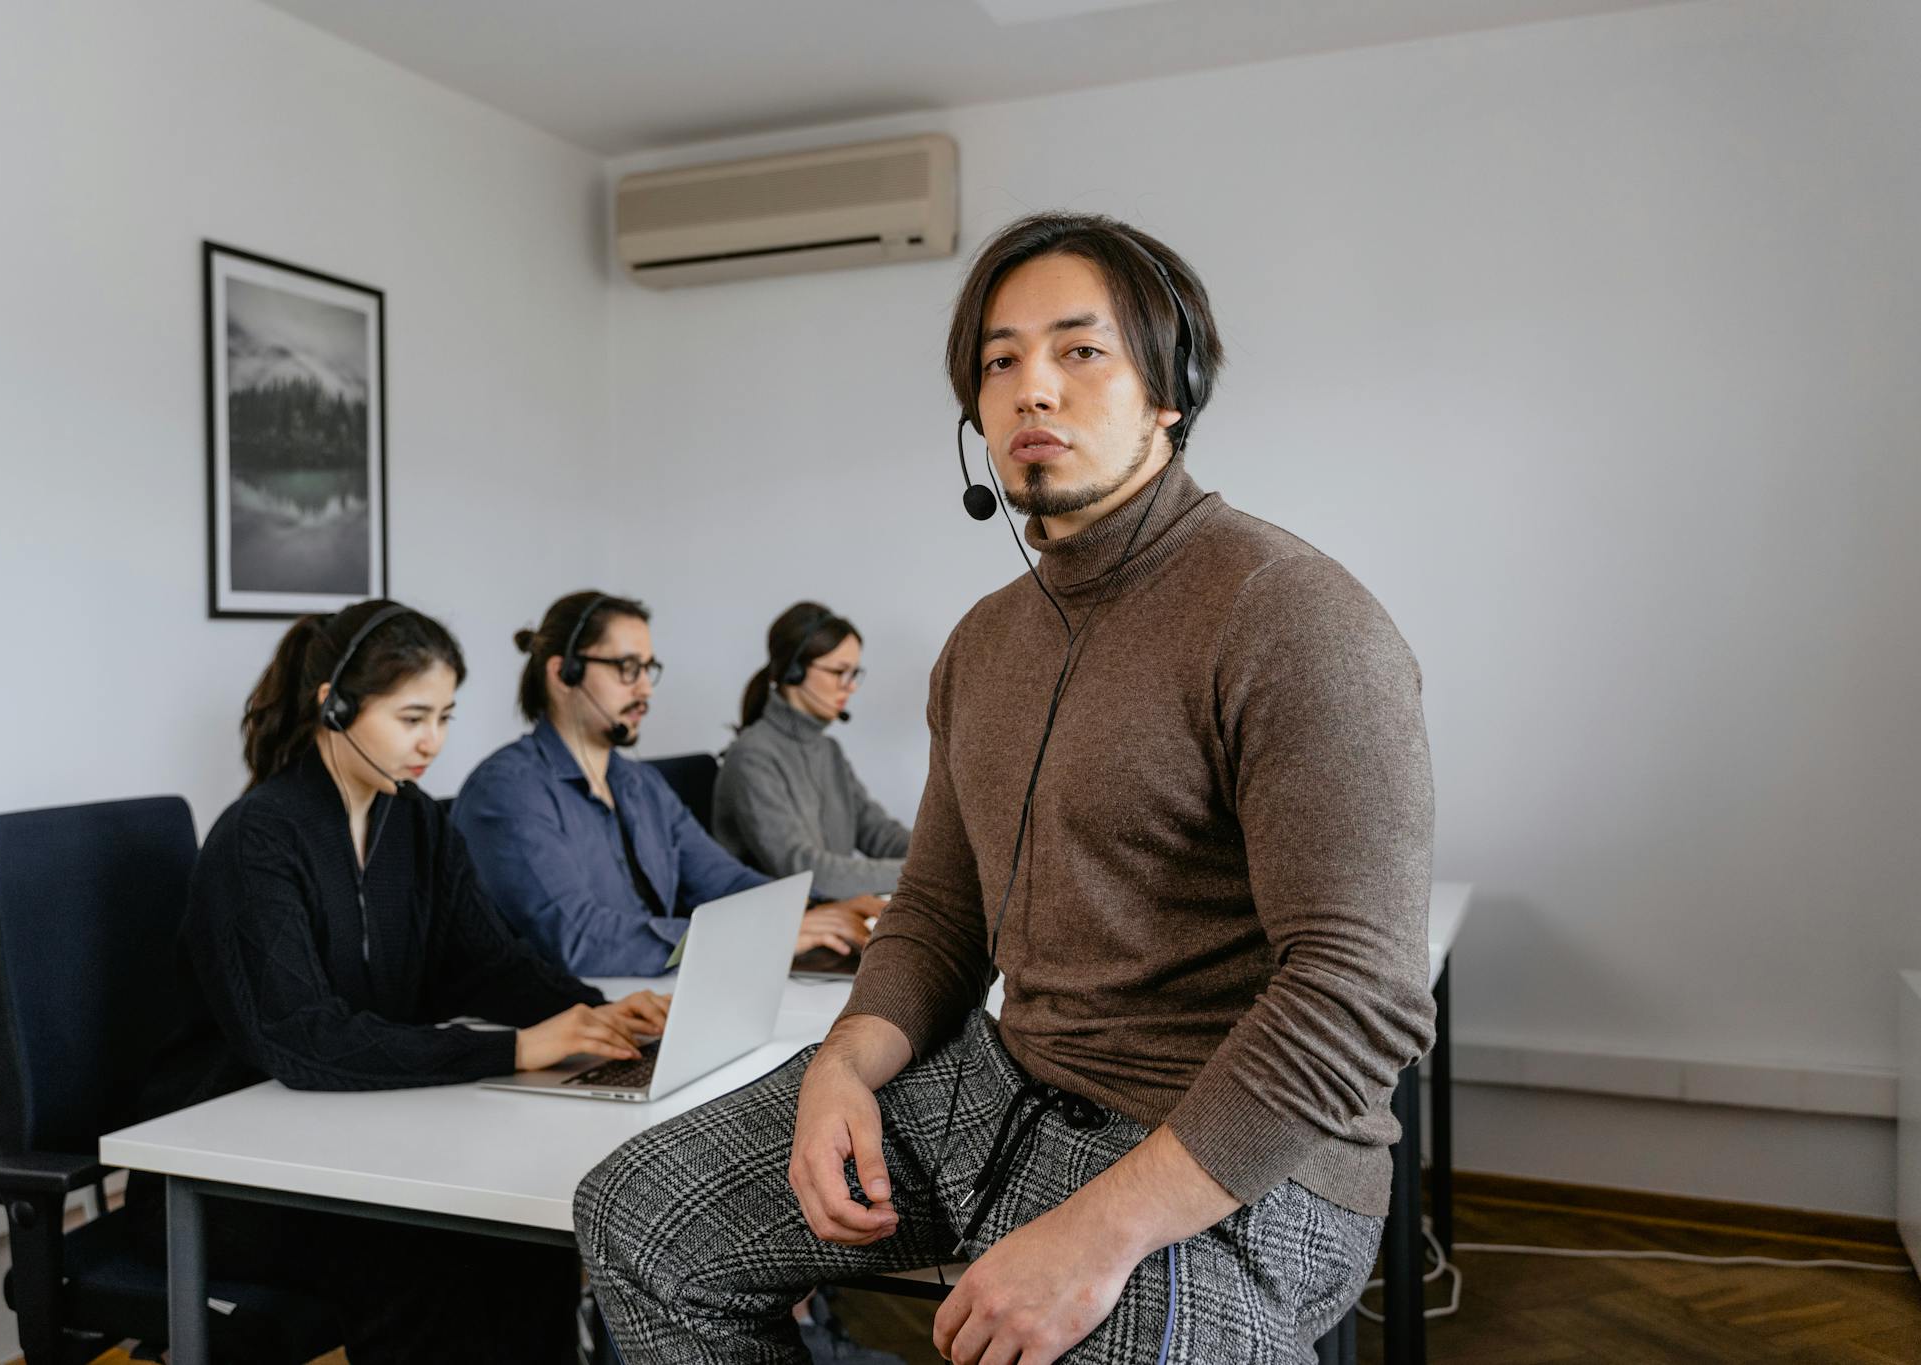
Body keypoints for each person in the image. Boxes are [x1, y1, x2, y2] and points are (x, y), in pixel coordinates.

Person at [575, 212, 1437, 1365]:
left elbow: (1354, 997)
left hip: (1238, 1150)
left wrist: (1098, 1232)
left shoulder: (1291, 616)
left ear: (1166, 392)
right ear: (973, 414)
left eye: (1080, 351)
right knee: (638, 1221)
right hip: (1007, 1085)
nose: (1032, 388)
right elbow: (935, 914)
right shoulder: (981, 645)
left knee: (1076, 1339)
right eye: (999, 360)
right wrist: (839, 1065)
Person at [134, 599, 669, 1364]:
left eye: (446, 716)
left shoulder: (412, 820)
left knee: (529, 1237)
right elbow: (301, 1035)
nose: (434, 742)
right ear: (337, 706)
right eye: (413, 717)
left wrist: (597, 1010)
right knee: (430, 1260)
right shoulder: (260, 837)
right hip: (235, 1171)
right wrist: (512, 1049)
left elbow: (487, 960)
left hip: (357, 1140)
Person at [453, 591, 880, 978]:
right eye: (626, 669)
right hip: (569, 1015)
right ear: (564, 673)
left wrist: (820, 910)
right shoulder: (507, 791)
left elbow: (722, 881)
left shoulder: (640, 783)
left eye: (647, 669)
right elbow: (579, 938)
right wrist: (772, 932)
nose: (646, 690)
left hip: (651, 993)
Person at [713, 602, 911, 898]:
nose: (851, 686)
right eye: (840, 672)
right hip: (781, 927)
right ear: (794, 672)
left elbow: (879, 832)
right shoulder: (752, 757)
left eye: (854, 673)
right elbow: (806, 872)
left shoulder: (828, 751)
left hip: (828, 915)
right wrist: (921, 875)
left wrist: (942, 858)